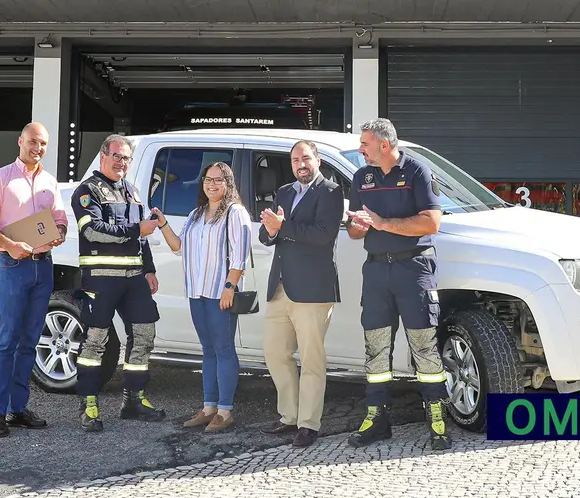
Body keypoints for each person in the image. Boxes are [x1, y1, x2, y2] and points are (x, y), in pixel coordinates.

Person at [344, 118, 452, 450]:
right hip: (376, 271)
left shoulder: (417, 171)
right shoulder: (361, 177)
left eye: (365, 144)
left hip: (414, 268)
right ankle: (377, 418)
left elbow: (431, 222)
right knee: (376, 349)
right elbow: (352, 230)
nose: (360, 149)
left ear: (384, 145)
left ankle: (436, 418)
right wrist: (360, 227)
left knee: (424, 345)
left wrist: (383, 223)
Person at [0, 122, 68, 438]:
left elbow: (59, 219)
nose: (37, 148)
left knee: (29, 340)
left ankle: (18, 409)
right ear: (20, 141)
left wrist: (61, 233)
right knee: (6, 341)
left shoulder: (49, 182)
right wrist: (10, 245)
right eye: (32, 142)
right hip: (11, 266)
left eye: (42, 144)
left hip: (43, 267)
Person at [69, 134, 164, 433]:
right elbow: (93, 231)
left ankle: (133, 399)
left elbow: (143, 237)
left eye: (126, 158)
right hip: (101, 279)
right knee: (96, 340)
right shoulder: (87, 192)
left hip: (135, 278)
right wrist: (137, 229)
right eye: (116, 156)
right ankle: (89, 405)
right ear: (103, 156)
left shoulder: (133, 191)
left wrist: (149, 269)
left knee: (145, 334)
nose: (121, 162)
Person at [151, 161, 252, 433]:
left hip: (221, 293)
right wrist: (163, 225)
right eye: (208, 179)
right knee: (207, 351)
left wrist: (229, 287)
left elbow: (239, 255)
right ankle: (208, 409)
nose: (212, 184)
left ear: (228, 183)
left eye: (219, 180)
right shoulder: (196, 214)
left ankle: (225, 411)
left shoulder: (235, 213)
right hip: (197, 291)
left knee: (224, 349)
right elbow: (178, 247)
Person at [257, 140, 344, 447]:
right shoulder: (284, 192)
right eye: (295, 160)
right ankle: (288, 416)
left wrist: (284, 226)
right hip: (280, 286)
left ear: (317, 160)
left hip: (312, 289)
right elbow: (270, 234)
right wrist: (269, 230)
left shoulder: (331, 192)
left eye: (306, 158)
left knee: (311, 360)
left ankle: (308, 424)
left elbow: (323, 236)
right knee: (275, 353)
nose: (300, 164)